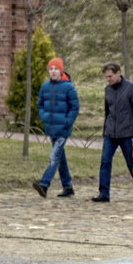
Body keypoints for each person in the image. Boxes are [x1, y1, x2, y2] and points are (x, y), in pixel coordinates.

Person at [93, 62, 133, 203]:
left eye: (110, 76)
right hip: (110, 133)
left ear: (119, 73)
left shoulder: (132, 88)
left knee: (132, 165)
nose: (108, 79)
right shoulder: (108, 90)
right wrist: (105, 129)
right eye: (106, 77)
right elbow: (107, 111)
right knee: (105, 162)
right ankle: (104, 193)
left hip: (127, 133)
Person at [34, 57, 80, 198]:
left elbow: (75, 107)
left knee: (54, 157)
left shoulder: (68, 87)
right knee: (60, 158)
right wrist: (44, 117)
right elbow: (40, 104)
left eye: (56, 69)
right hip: (51, 128)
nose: (53, 71)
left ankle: (44, 184)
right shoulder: (45, 87)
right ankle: (68, 186)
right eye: (51, 69)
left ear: (61, 71)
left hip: (63, 129)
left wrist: (67, 121)